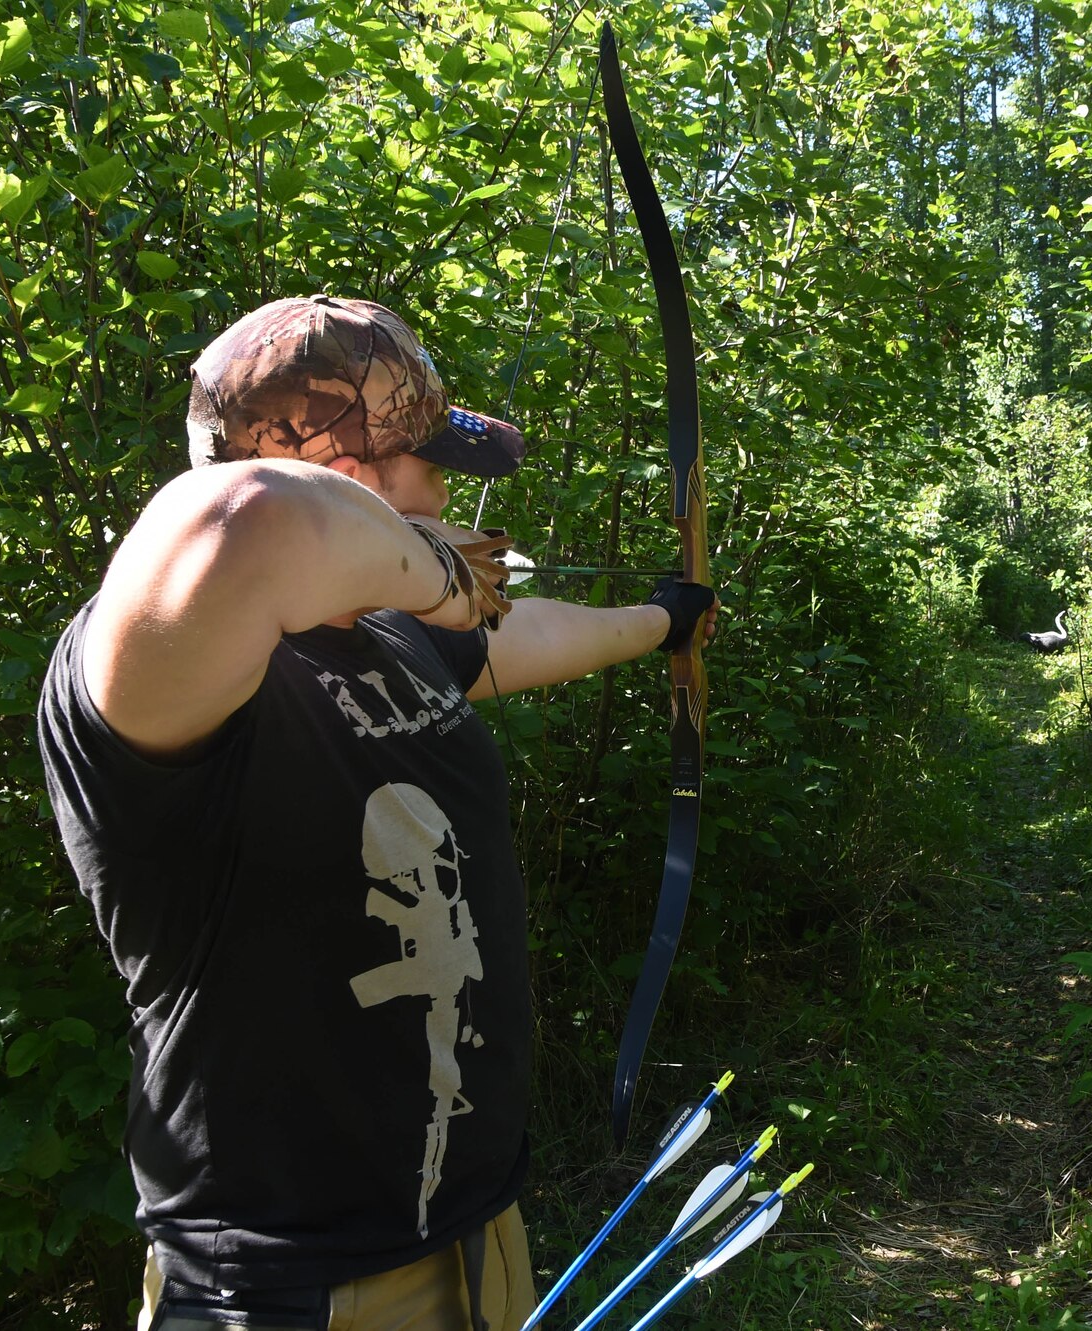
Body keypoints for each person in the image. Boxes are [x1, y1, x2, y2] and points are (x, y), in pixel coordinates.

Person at [36, 295, 718, 1331]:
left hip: (474, 1239)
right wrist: (441, 576)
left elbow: (523, 636)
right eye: (431, 466)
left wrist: (665, 620)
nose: (453, 492)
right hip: (288, 1288)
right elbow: (243, 516)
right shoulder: (154, 665)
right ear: (347, 480)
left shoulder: (387, 638)